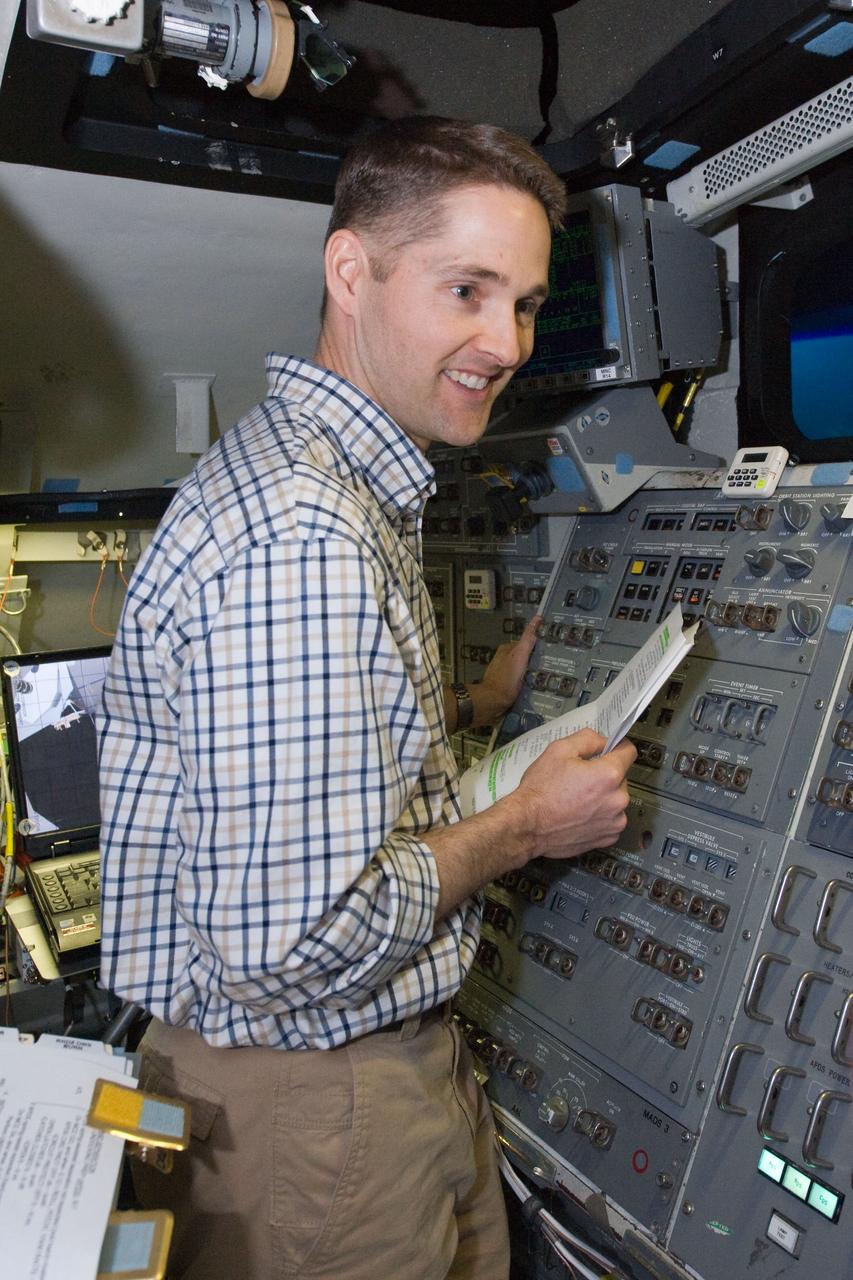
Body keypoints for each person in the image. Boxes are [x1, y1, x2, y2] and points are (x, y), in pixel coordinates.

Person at [98, 116, 635, 1280]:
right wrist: (526, 825)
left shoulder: (306, 478)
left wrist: (470, 704)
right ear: (352, 271)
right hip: (317, 1109)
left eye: (525, 303)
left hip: (338, 1084)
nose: (505, 341)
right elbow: (289, 942)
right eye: (466, 290)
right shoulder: (307, 534)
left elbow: (323, 747)